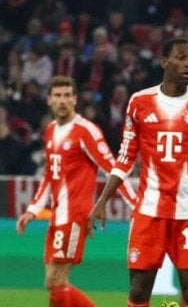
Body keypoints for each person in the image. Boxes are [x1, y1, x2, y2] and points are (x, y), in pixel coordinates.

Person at [89, 38, 188, 307]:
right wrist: (101, 201)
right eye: (181, 58)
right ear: (164, 62)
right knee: (138, 290)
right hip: (149, 213)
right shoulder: (139, 102)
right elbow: (125, 157)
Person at [16, 76, 137, 307]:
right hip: (57, 215)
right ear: (49, 100)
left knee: (56, 281)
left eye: (67, 95)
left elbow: (113, 169)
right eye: (57, 96)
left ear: (75, 99)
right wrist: (33, 209)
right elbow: (49, 175)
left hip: (75, 214)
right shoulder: (50, 130)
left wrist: (136, 205)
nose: (62, 101)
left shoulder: (86, 131)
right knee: (53, 284)